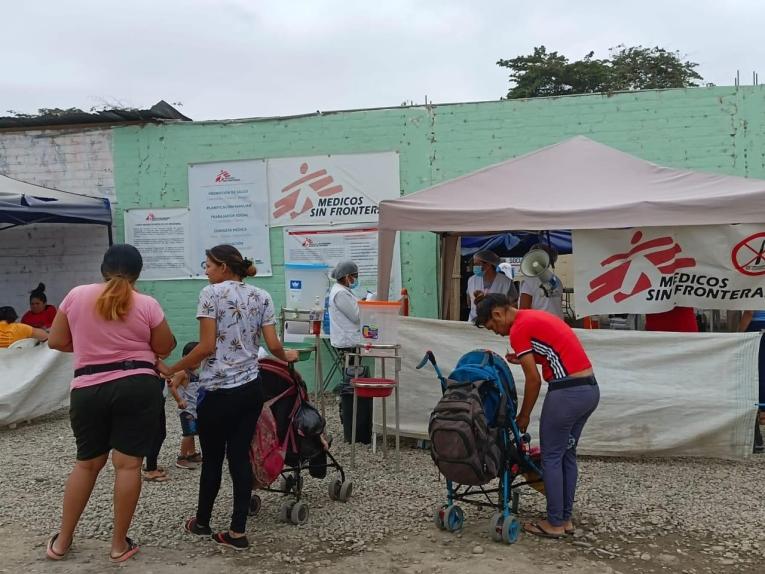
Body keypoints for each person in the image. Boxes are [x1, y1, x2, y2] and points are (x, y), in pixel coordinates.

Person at [159, 244, 297, 551]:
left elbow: (206, 347)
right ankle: (237, 531)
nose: (205, 270)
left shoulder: (211, 294)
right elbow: (273, 345)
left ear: (223, 267)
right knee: (239, 457)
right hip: (251, 390)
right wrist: (289, 354)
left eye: (208, 264)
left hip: (219, 392)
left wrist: (172, 368)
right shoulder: (262, 296)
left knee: (212, 460)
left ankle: (203, 522)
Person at [45, 244, 176, 563]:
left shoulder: (76, 295)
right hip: (136, 385)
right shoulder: (147, 303)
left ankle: (62, 543)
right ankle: (118, 546)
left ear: (103, 269)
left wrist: (93, 345)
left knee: (86, 463)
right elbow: (164, 346)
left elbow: (56, 340)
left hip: (88, 387)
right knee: (128, 465)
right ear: (138, 273)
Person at [475, 293, 599, 539]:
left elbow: (534, 379)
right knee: (566, 455)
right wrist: (522, 358)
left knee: (551, 456)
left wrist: (524, 415)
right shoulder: (532, 317)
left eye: (493, 327)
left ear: (498, 314)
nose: (497, 333)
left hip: (566, 394)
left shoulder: (518, 329)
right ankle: (564, 519)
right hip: (589, 390)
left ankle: (554, 523)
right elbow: (553, 352)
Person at [168, 341, 203, 470]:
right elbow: (172, 386)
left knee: (193, 431)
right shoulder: (182, 372)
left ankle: (192, 453)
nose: (198, 363)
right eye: (195, 360)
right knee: (188, 433)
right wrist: (179, 400)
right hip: (187, 409)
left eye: (200, 360)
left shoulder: (193, 373)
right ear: (185, 358)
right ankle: (182, 458)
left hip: (194, 408)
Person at [466, 250, 518, 323]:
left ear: (488, 265)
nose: (475, 267)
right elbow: (469, 300)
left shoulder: (506, 281)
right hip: (474, 322)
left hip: (497, 324)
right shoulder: (471, 280)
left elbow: (513, 303)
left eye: (477, 264)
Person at [739, 310, 765, 451]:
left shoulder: (756, 287)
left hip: (758, 326)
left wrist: (740, 334)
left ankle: (760, 412)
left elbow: (749, 311)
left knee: (757, 371)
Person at [518, 243, 564, 319]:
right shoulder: (557, 280)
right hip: (558, 323)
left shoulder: (529, 281)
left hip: (540, 324)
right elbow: (558, 303)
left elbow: (523, 310)